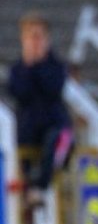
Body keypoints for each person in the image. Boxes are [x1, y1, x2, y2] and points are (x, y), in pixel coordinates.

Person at [7, 12, 74, 209]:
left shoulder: (56, 66)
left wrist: (39, 65)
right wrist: (29, 66)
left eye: (38, 37)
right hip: (27, 130)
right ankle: (29, 191)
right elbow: (19, 93)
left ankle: (40, 186)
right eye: (30, 37)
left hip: (54, 127)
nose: (35, 42)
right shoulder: (18, 69)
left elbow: (52, 89)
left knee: (57, 139)